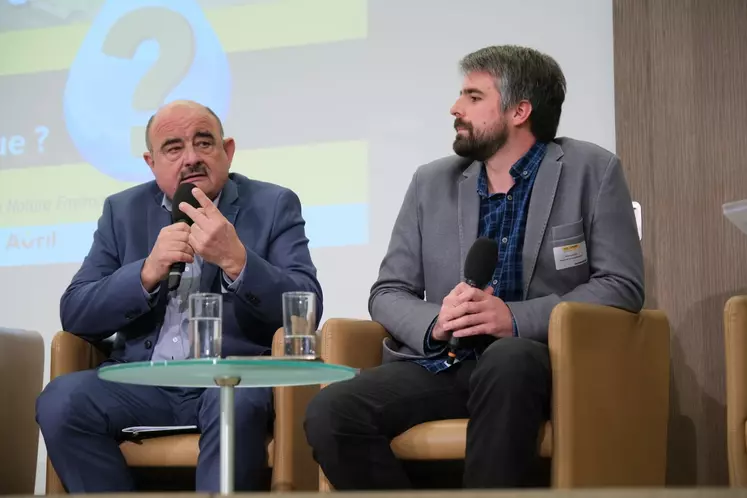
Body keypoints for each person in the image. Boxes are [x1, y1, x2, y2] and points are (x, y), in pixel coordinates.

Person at [304, 45, 644, 489]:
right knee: (332, 410)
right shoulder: (432, 182)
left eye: (473, 96)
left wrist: (515, 318)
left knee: (508, 358)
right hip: (449, 361)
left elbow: (621, 286)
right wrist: (437, 322)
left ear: (519, 110)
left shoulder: (591, 170)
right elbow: (387, 291)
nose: (455, 108)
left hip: (542, 362)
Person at [36, 100, 323, 492]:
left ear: (228, 151)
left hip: (228, 380)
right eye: (173, 148)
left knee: (233, 403)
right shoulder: (122, 211)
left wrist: (238, 262)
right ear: (151, 162)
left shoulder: (272, 205)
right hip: (141, 384)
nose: (191, 158)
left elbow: (305, 306)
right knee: (61, 401)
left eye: (204, 143)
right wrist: (146, 272)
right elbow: (76, 311)